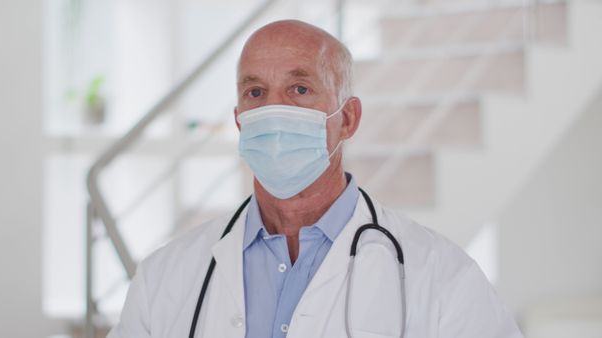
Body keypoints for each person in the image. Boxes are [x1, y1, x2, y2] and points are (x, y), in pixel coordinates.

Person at [107, 20, 523, 338]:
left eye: (300, 89)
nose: (273, 109)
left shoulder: (442, 277)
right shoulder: (164, 278)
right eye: (255, 93)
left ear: (348, 118)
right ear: (239, 121)